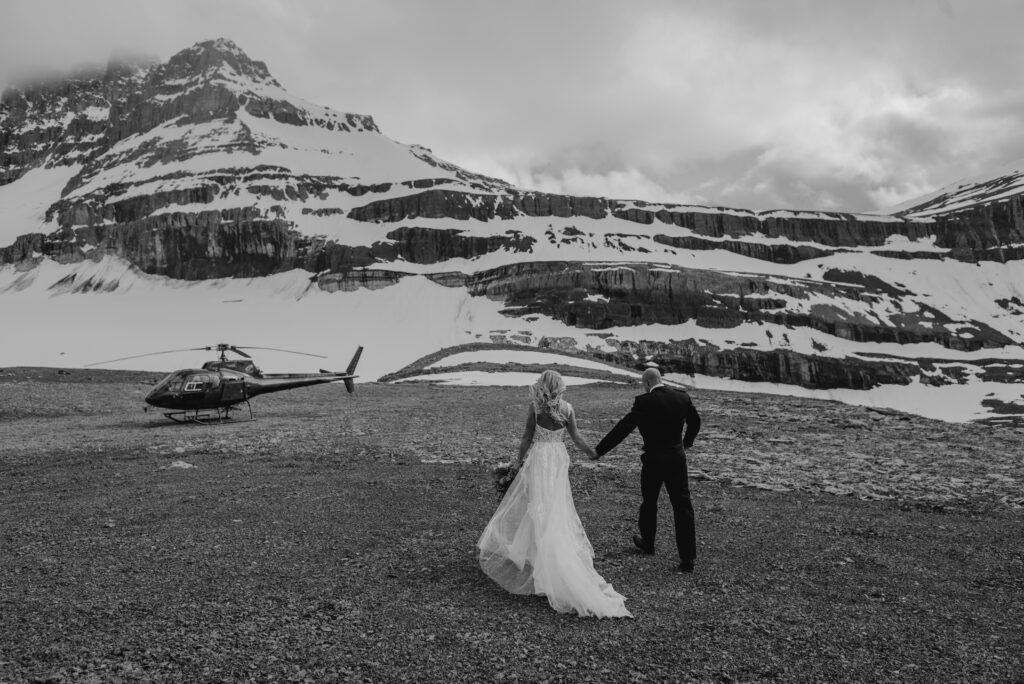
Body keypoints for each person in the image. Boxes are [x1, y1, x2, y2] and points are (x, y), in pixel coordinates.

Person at [477, 370, 632, 618]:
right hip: (558, 458)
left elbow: (527, 437)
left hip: (539, 458)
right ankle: (549, 557)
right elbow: (576, 437)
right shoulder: (568, 409)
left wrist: (518, 462)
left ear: (543, 386)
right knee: (556, 505)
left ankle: (540, 558)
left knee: (537, 505)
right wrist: (593, 453)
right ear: (559, 386)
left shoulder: (536, 409)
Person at [593, 367, 701, 573]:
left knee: (649, 502)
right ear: (660, 379)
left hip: (653, 459)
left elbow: (623, 428)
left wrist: (600, 450)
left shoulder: (644, 402)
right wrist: (686, 443)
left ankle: (648, 543)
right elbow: (695, 422)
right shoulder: (682, 397)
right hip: (677, 458)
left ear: (647, 383)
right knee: (682, 505)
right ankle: (687, 558)